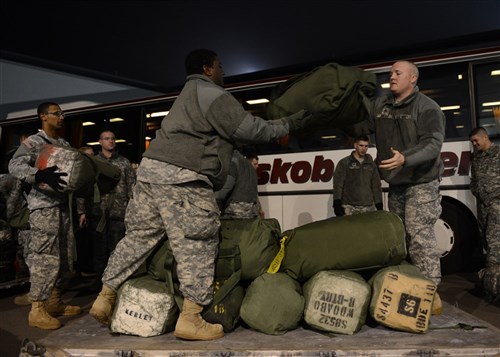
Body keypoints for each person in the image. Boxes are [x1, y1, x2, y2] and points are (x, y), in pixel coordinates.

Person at [89, 48, 312, 340]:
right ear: (207, 68)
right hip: (183, 176)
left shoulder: (187, 95)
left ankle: (105, 296)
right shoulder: (213, 94)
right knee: (197, 244)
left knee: (139, 237)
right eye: (220, 66)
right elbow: (250, 129)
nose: (223, 72)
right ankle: (191, 319)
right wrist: (289, 124)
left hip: (151, 172)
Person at [353, 60, 445, 313]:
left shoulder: (428, 108)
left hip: (422, 181)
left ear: (413, 78)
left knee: (419, 236)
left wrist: (406, 158)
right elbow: (362, 125)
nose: (391, 77)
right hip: (396, 183)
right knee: (399, 239)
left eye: (397, 73)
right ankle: (407, 292)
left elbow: (433, 144)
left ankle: (430, 297)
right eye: (390, 73)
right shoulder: (381, 106)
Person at [9, 102, 82, 330]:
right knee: (44, 256)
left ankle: (54, 301)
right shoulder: (35, 142)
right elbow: (14, 164)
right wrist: (38, 173)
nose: (62, 117)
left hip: (62, 206)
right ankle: (37, 309)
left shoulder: (63, 144)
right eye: (57, 113)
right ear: (43, 117)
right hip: (44, 208)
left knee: (62, 255)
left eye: (62, 114)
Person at [88, 131, 136, 278]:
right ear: (100, 142)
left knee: (116, 249)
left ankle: (114, 281)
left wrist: (133, 209)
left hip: (119, 212)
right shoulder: (93, 162)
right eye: (107, 139)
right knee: (98, 250)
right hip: (98, 211)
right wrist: (81, 211)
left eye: (113, 139)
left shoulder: (124, 162)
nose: (111, 141)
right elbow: (85, 187)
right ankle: (98, 282)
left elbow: (132, 187)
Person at [469, 127, 500, 301]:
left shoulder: (498, 154)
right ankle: (491, 281)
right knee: (487, 241)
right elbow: (474, 180)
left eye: (476, 141)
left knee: (495, 244)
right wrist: (476, 192)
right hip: (483, 206)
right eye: (472, 142)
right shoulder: (477, 158)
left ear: (485, 137)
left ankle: (493, 289)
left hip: (497, 204)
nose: (474, 144)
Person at [333, 135, 383, 216]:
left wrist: (379, 204)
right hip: (349, 207)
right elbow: (338, 184)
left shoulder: (371, 164)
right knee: (350, 229)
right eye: (361, 145)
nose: (364, 148)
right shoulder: (344, 163)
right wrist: (337, 202)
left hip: (368, 207)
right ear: (355, 145)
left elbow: (376, 185)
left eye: (366, 146)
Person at [215, 149, 261, 219]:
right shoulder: (250, 167)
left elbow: (226, 187)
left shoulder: (232, 161)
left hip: (235, 209)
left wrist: (215, 201)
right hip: (251, 209)